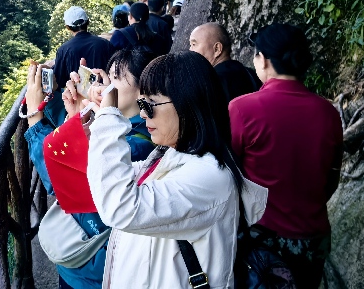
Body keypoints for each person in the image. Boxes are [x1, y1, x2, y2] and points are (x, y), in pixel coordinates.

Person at [85, 51, 268, 288]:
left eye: (149, 104)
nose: (142, 113)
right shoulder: (169, 156)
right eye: (141, 104)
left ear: (188, 103)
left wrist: (109, 115)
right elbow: (110, 177)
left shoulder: (210, 176)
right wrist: (95, 122)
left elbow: (119, 205)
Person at [23, 49, 157, 289]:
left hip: (92, 269)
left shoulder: (135, 146)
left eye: (115, 79)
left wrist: (34, 116)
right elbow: (71, 149)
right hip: (85, 257)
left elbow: (62, 179)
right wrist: (72, 111)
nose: (104, 85)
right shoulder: (131, 127)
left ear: (143, 91)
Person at [230, 24, 343, 288]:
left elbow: (228, 175)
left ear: (265, 60)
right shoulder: (328, 113)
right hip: (313, 238)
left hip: (264, 242)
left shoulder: (243, 109)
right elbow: (331, 181)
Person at [46, 6, 114, 128]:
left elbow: (60, 80)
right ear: (87, 22)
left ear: (68, 27)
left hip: (77, 103)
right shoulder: (105, 44)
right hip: (104, 99)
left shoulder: (64, 49)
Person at [189, 22, 261, 101]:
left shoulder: (210, 83)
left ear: (217, 49)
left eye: (194, 44)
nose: (190, 50)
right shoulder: (250, 73)